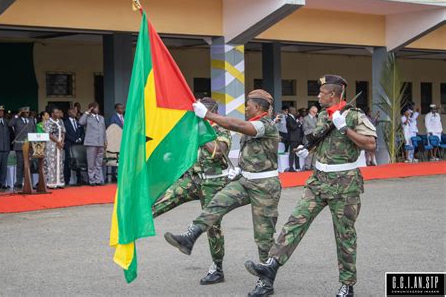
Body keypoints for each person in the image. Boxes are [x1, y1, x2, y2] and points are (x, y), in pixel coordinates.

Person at [243, 75, 377, 297]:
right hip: (318, 181)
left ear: (333, 94)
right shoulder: (325, 115)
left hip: (344, 184)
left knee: (344, 235)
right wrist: (309, 150)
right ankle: (271, 266)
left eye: (321, 92)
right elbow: (324, 141)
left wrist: (346, 129)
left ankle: (347, 284)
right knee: (295, 222)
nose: (318, 96)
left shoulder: (353, 116)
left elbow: (371, 143)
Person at [164, 89, 281, 297]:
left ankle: (266, 281)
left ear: (258, 107)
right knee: (216, 203)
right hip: (245, 180)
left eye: (248, 105)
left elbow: (236, 125)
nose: (245, 108)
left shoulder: (266, 124)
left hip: (265, 186)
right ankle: (190, 236)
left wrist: (207, 115)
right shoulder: (253, 123)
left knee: (263, 237)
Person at [152, 97, 232, 285]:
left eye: (201, 110)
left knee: (213, 226)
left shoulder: (221, 129)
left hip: (213, 182)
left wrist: (200, 131)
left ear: (211, 111)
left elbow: (218, 152)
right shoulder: (193, 127)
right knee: (165, 197)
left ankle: (217, 268)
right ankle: (136, 223)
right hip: (192, 179)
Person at [79, 102, 107, 186]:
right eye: (96, 108)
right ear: (92, 108)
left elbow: (104, 130)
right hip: (91, 143)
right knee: (91, 162)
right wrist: (87, 112)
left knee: (99, 162)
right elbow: (80, 122)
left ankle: (98, 179)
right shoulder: (88, 117)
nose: (98, 109)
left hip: (100, 142)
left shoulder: (101, 118)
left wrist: (105, 141)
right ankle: (92, 180)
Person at [9, 106, 36, 189]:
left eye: (28, 112)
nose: (27, 114)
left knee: (29, 165)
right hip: (19, 146)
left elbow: (34, 131)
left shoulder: (31, 120)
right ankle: (19, 182)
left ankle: (29, 181)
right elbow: (10, 124)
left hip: (29, 146)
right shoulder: (17, 120)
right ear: (22, 113)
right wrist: (17, 115)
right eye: (25, 112)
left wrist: (33, 144)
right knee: (20, 165)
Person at [44, 107, 66, 189]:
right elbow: (49, 134)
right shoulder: (48, 122)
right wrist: (58, 142)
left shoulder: (60, 121)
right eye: (56, 112)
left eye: (58, 112)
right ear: (52, 114)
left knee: (59, 163)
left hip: (59, 145)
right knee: (51, 163)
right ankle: (51, 183)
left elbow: (63, 132)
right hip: (52, 145)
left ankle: (59, 182)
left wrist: (62, 142)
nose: (58, 114)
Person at [64, 108, 85, 186]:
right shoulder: (65, 123)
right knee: (68, 162)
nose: (75, 113)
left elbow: (83, 132)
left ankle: (79, 179)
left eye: (76, 111)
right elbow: (65, 134)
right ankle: (67, 180)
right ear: (69, 113)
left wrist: (80, 139)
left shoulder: (78, 122)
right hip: (69, 144)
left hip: (78, 145)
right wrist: (74, 140)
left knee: (79, 161)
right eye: (73, 111)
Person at [286, 106, 302, 172]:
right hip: (292, 138)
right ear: (291, 111)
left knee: (297, 152)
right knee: (292, 153)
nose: (296, 112)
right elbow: (293, 127)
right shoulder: (289, 118)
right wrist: (298, 122)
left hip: (296, 138)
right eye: (295, 110)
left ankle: (297, 167)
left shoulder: (293, 117)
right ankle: (291, 167)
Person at [302, 105, 318, 170]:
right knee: (309, 153)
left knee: (315, 153)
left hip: (315, 138)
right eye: (315, 112)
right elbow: (304, 129)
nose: (316, 114)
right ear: (311, 111)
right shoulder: (305, 118)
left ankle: (313, 166)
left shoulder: (316, 119)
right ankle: (307, 167)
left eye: (316, 112)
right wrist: (314, 130)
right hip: (308, 138)